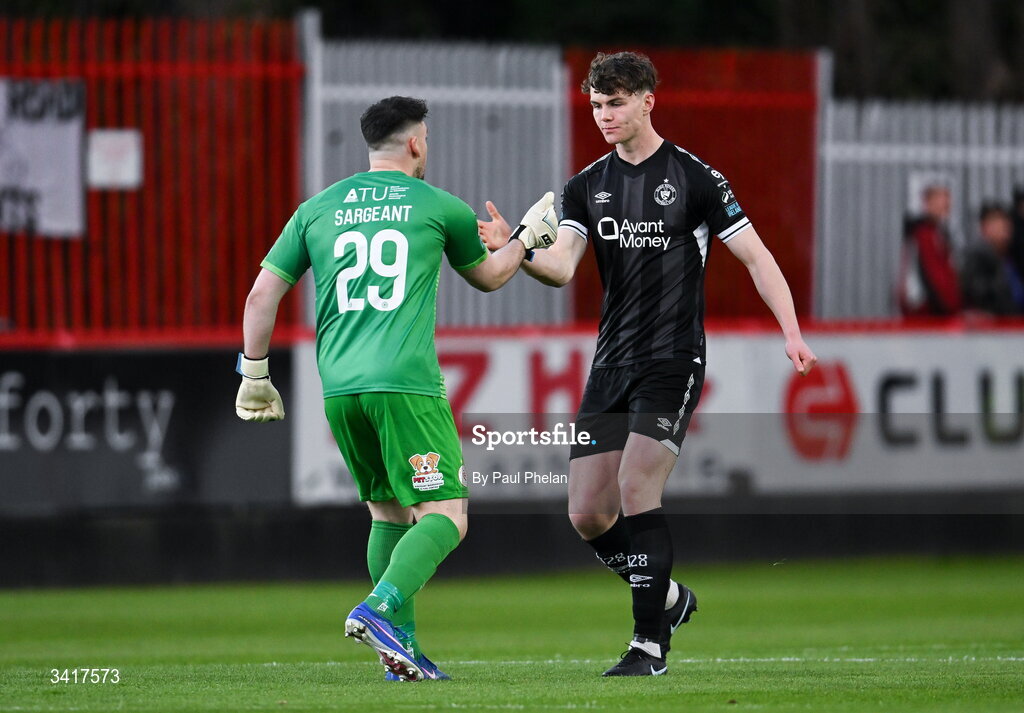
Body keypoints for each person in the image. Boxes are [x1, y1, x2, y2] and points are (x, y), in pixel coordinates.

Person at [478, 52, 817, 677]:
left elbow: (757, 257)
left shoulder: (695, 178)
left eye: (617, 102)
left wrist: (791, 332)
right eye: (598, 105)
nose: (606, 116)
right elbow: (561, 269)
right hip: (611, 363)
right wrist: (519, 249)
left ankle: (649, 644)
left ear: (647, 101)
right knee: (586, 513)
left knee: (636, 487)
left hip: (671, 358)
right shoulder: (587, 186)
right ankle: (667, 596)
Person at [234, 96, 556, 682]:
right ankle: (380, 611)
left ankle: (399, 653)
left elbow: (261, 295)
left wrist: (254, 376)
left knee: (386, 512)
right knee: (447, 514)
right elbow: (491, 276)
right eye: (426, 139)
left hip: (339, 389)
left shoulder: (317, 209)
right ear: (414, 143)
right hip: (405, 384)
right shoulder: (438, 206)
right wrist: (527, 239)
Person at [898, 184, 962, 317]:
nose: (946, 202)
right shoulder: (925, 235)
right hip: (927, 314)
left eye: (947, 197)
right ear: (927, 202)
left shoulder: (936, 233)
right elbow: (935, 276)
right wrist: (951, 307)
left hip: (929, 311)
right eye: (940, 197)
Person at [961, 202, 1024, 315]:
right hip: (996, 326)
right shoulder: (977, 257)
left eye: (1006, 221)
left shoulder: (1011, 255)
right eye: (996, 222)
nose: (1004, 226)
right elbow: (979, 295)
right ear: (983, 227)